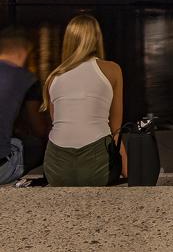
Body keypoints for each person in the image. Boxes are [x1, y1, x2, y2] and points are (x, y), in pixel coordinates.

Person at [42, 14, 127, 186]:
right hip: (97, 170)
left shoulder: (53, 77)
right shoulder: (112, 70)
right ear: (97, 38)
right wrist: (127, 170)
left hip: (56, 171)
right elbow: (116, 130)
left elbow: (58, 123)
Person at [0, 27, 49, 185]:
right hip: (2, 169)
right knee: (34, 145)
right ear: (23, 52)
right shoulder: (27, 80)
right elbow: (39, 128)